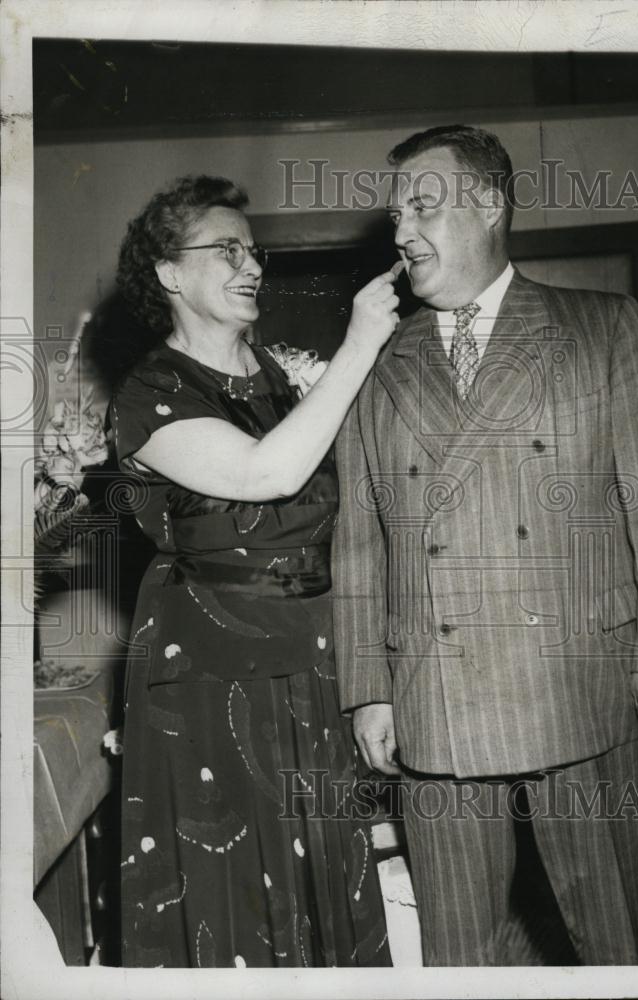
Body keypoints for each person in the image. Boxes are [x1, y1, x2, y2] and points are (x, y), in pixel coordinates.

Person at [332, 125, 638, 966]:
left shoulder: (601, 326)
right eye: (396, 213)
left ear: (491, 205)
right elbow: (360, 540)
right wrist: (367, 688)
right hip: (434, 692)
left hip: (585, 679)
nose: (401, 232)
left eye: (423, 204)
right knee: (459, 945)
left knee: (620, 935)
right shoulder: (377, 360)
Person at [109, 174, 399, 967]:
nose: (252, 264)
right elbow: (264, 474)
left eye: (253, 248)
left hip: (309, 656)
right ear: (169, 274)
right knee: (229, 886)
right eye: (225, 248)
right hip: (210, 673)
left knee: (322, 872)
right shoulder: (151, 393)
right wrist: (361, 345)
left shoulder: (279, 374)